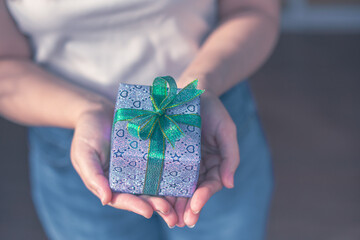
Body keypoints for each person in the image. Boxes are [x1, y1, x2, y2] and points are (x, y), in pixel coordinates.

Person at [0, 0, 279, 239]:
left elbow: (252, 8)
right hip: (74, 137)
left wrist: (198, 88)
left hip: (205, 124)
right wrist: (86, 110)